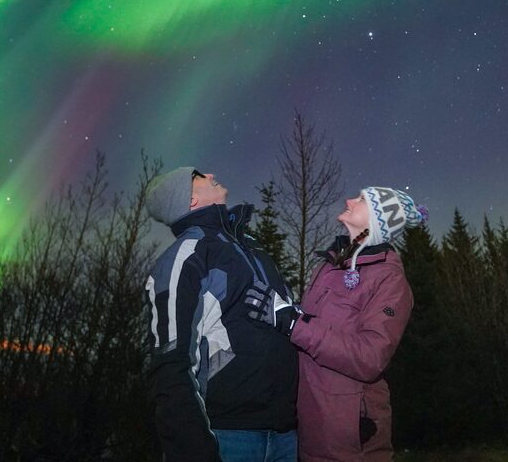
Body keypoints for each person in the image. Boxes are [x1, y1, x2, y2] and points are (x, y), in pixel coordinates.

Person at [245, 186, 425, 461]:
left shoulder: (389, 280)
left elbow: (370, 357)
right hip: (308, 426)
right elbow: (315, 328)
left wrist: (294, 324)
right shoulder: (329, 266)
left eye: (362, 199)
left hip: (348, 437)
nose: (349, 200)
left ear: (379, 219)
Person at [144, 167, 298, 462]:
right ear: (189, 199)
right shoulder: (186, 256)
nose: (211, 173)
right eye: (199, 175)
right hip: (228, 436)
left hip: (284, 433)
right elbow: (169, 362)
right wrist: (192, 449)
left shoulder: (252, 248)